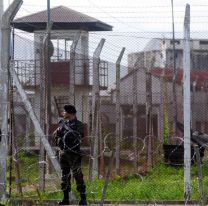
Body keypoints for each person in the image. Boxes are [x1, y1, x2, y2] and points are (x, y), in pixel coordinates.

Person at [53, 105, 87, 205]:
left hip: (74, 154)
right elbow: (55, 135)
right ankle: (66, 199)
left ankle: (83, 199)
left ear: (70, 113)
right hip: (63, 153)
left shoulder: (79, 124)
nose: (63, 113)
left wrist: (65, 133)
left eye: (64, 112)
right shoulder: (62, 123)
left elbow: (77, 136)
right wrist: (59, 131)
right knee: (65, 176)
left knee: (78, 176)